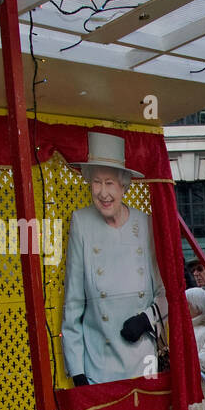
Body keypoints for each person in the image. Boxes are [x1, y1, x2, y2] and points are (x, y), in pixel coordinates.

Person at [61, 133, 167, 386]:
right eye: (97, 182)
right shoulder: (81, 222)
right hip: (100, 364)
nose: (103, 192)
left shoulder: (146, 224)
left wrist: (146, 320)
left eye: (110, 183)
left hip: (143, 359)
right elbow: (73, 303)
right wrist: (77, 371)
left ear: (124, 185)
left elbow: (166, 293)